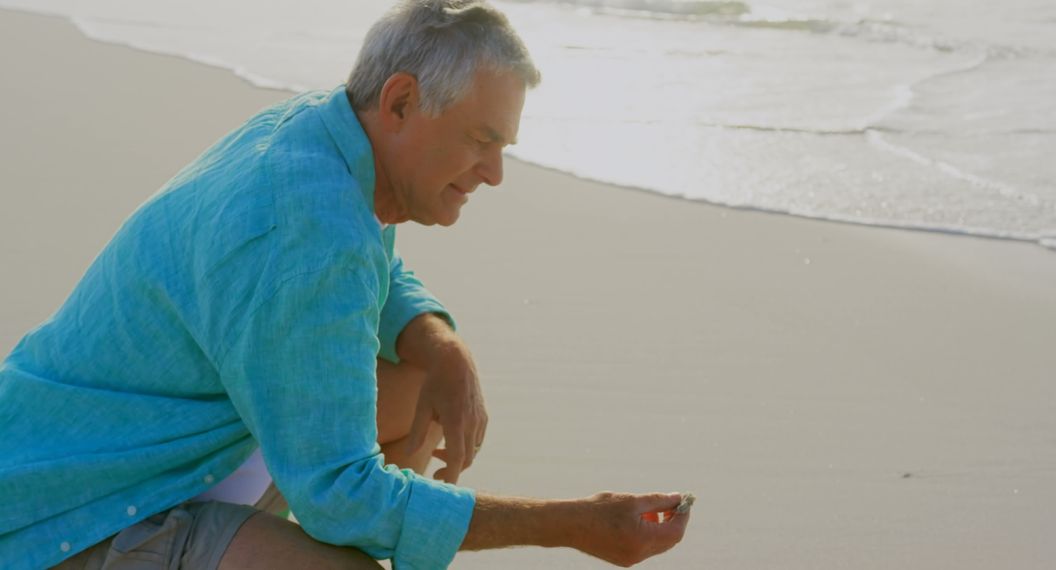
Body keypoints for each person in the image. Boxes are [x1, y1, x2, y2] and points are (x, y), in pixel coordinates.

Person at [0, 1, 690, 568]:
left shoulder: (319, 132)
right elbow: (340, 495)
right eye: (481, 140)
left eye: (503, 147)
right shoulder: (307, 235)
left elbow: (373, 269)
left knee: (414, 378)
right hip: (71, 511)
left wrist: (442, 344)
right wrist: (575, 525)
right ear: (400, 101)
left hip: (134, 439)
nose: (493, 173)